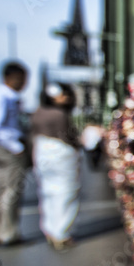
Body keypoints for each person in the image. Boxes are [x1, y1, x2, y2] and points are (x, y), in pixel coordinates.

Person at [0, 61, 29, 245]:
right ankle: (8, 233)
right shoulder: (5, 98)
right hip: (8, 147)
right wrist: (16, 147)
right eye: (21, 79)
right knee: (11, 190)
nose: (24, 83)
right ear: (10, 78)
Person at [32, 83, 81, 250]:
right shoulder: (60, 114)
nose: (66, 98)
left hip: (41, 152)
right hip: (61, 153)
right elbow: (67, 136)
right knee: (66, 191)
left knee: (47, 191)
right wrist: (78, 146)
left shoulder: (38, 112)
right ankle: (62, 233)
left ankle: (50, 229)